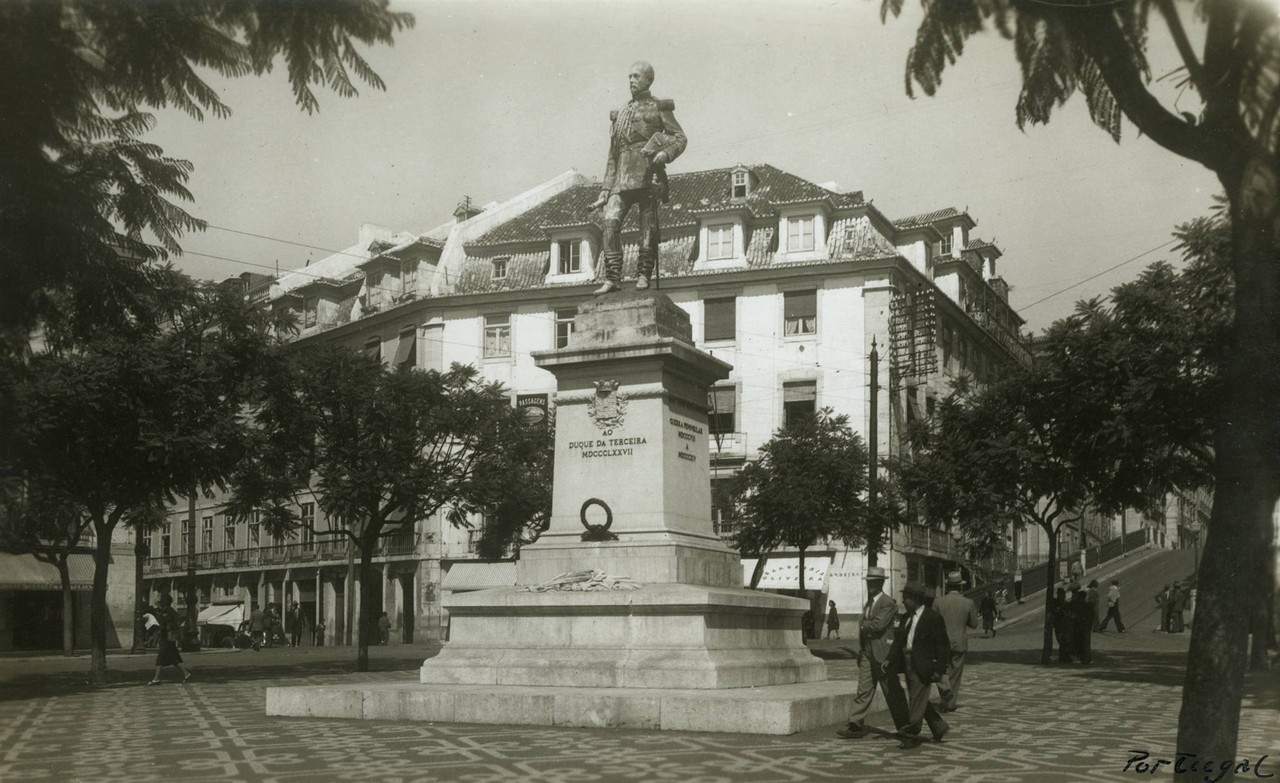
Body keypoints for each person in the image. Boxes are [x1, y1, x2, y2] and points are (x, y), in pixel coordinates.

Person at [589, 61, 687, 295]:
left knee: (648, 227)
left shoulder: (659, 107)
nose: (631, 80)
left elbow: (680, 138)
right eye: (629, 76)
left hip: (648, 173)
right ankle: (612, 277)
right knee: (609, 223)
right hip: (621, 177)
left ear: (648, 80)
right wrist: (605, 189)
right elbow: (613, 155)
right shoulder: (621, 113)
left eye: (636, 76)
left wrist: (665, 153)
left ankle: (644, 274)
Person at [837, 567, 910, 740]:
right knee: (863, 689)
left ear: (881, 583)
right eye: (869, 582)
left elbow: (878, 625)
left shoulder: (888, 603)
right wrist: (862, 648)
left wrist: (864, 626)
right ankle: (855, 724)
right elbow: (871, 626)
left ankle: (905, 726)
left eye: (874, 582)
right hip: (867, 652)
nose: (871, 585)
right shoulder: (868, 603)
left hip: (883, 653)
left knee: (891, 690)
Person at [887, 581, 952, 749]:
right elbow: (898, 641)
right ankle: (939, 726)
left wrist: (939, 669)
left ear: (915, 599)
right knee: (919, 698)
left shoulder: (932, 617)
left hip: (924, 665)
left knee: (916, 698)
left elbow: (943, 645)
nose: (902, 602)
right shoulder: (906, 617)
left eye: (905, 599)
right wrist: (889, 659)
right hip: (907, 662)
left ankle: (911, 733)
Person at [934, 571, 978, 711]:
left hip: (941, 643)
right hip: (959, 642)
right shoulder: (968, 602)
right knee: (955, 673)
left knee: (941, 671)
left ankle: (945, 695)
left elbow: (932, 623)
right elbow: (974, 624)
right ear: (961, 587)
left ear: (947, 586)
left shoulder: (938, 602)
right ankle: (949, 703)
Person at [148, 594, 193, 685]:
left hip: (167, 638)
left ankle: (156, 679)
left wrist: (170, 626)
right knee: (174, 658)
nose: (158, 603)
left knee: (161, 658)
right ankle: (186, 673)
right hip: (166, 637)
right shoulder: (163, 611)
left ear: (164, 602)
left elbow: (178, 619)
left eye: (160, 602)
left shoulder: (169, 610)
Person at [1071, 583, 1093, 665]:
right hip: (1086, 626)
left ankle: (1082, 657)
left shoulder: (1079, 606)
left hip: (1080, 626)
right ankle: (1087, 658)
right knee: (1086, 643)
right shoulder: (1088, 606)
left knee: (1080, 642)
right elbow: (1091, 615)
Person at [1051, 587, 1074, 663]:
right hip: (1059, 625)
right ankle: (1063, 657)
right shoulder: (1055, 604)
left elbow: (1070, 613)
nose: (1063, 596)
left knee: (1066, 641)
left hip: (1066, 625)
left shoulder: (1066, 604)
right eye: (1062, 594)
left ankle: (1064, 656)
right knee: (1062, 641)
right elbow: (1055, 613)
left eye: (1063, 594)